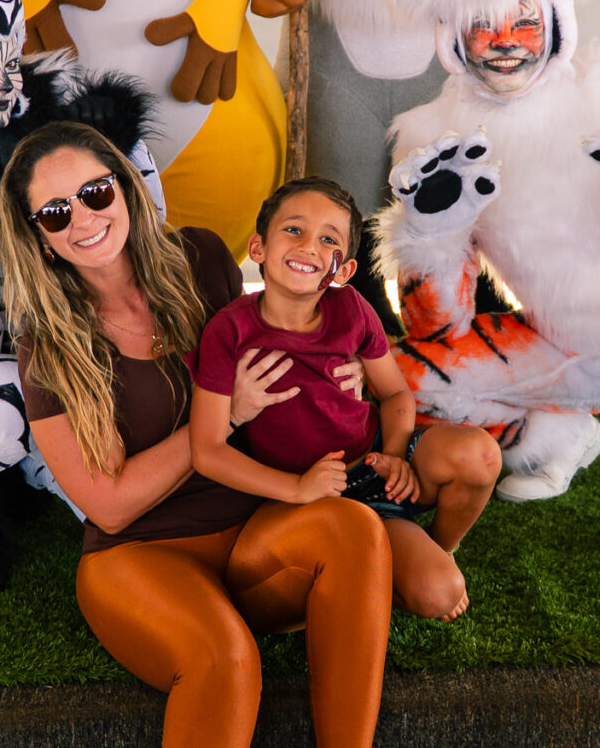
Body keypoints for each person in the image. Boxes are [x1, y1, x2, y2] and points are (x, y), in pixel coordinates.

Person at [0, 121, 394, 748]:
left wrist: (345, 385)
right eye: (54, 212)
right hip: (138, 557)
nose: (83, 218)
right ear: (37, 235)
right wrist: (221, 421)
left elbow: (294, 332)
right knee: (226, 658)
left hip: (245, 527)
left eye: (95, 192)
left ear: (125, 187)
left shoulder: (203, 260)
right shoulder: (47, 341)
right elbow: (108, 503)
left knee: (355, 530)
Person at [187, 177, 500, 620]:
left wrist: (394, 457)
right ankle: (396, 559)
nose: (309, 247)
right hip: (310, 497)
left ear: (344, 270)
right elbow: (207, 451)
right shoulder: (228, 331)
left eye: (329, 239)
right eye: (294, 230)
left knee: (479, 456)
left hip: (377, 463)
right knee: (437, 594)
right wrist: (298, 488)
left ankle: (439, 546)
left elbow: (394, 394)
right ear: (258, 248)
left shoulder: (352, 308)